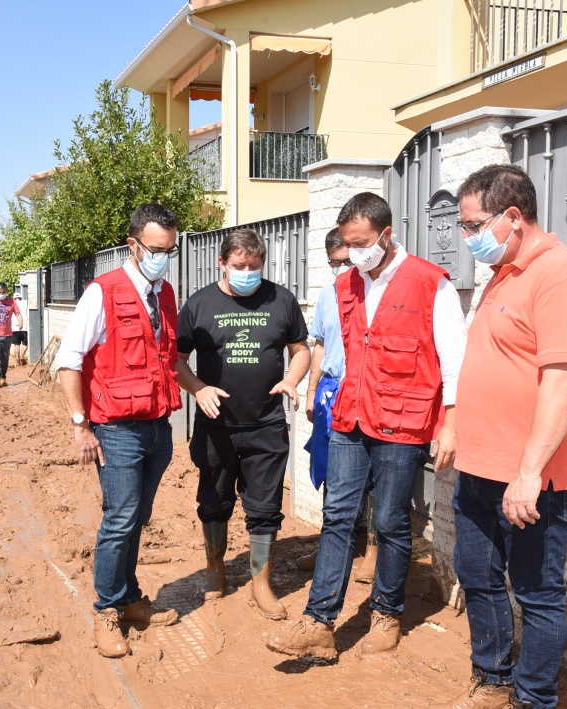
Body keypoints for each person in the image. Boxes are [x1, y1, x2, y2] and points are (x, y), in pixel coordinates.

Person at [423, 165, 567, 709]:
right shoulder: (503, 274)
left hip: (532, 478)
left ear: (513, 217)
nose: (467, 236)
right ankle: (492, 683)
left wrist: (529, 472)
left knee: (536, 593)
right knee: (477, 575)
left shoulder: (562, 278)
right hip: (479, 465)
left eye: (474, 224)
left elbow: (561, 382)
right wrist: (455, 428)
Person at [267, 191, 466, 661]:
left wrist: (452, 423)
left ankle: (387, 612)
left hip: (402, 421)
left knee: (392, 521)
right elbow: (336, 346)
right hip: (351, 415)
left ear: (386, 234)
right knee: (338, 515)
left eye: (362, 244)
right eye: (348, 245)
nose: (355, 254)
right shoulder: (346, 286)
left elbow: (455, 359)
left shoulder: (430, 284)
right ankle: (318, 621)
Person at [55, 203, 183, 659]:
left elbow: (166, 358)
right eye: (156, 249)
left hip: (157, 427)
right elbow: (68, 361)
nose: (163, 258)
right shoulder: (102, 292)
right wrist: (81, 425)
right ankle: (106, 609)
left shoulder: (164, 294)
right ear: (133, 245)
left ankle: (128, 599)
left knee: (137, 517)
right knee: (120, 518)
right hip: (116, 429)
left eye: (170, 250)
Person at [175, 229, 310, 619]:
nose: (247, 272)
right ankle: (215, 568)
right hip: (216, 425)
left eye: (254, 266)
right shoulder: (199, 304)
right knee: (213, 501)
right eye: (239, 266)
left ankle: (261, 582)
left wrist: (291, 379)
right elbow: (176, 359)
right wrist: (198, 388)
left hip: (266, 424)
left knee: (265, 507)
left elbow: (300, 349)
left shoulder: (280, 299)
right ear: (222, 263)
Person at [296, 227, 376, 585]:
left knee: (374, 475)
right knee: (332, 471)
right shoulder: (328, 294)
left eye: (347, 259)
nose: (342, 267)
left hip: (369, 393)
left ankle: (372, 550)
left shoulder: (375, 290)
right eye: (334, 262)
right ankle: (332, 544)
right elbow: (321, 344)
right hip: (332, 393)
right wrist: (312, 390)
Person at [11, 291, 30, 367]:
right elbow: (28, 315)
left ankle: (17, 360)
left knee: (16, 344)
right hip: (24, 327)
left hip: (15, 328)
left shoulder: (12, 304)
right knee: (25, 344)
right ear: (20, 298)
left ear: (14, 298)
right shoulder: (25, 303)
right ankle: (22, 356)